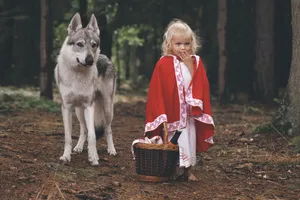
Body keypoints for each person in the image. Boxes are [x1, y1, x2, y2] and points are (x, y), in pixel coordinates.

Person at [144, 19, 215, 182]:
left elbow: (200, 84)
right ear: (170, 44)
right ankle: (169, 169)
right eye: (178, 44)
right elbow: (157, 89)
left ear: (192, 44)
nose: (183, 48)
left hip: (189, 114)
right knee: (171, 140)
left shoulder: (196, 62)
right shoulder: (163, 63)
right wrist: (160, 112)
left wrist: (190, 64)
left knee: (188, 139)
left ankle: (187, 170)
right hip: (170, 112)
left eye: (187, 43)